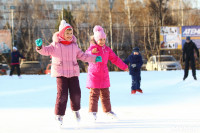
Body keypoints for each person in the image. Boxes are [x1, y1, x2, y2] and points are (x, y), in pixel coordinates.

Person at [35, 20, 102, 125]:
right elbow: (46, 51)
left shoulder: (74, 46)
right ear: (62, 33)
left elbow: (83, 56)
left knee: (76, 93)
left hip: (73, 73)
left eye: (71, 33)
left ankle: (76, 111)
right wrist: (40, 47)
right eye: (67, 33)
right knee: (62, 95)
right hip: (61, 73)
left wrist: (94, 58)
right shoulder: (55, 45)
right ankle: (59, 115)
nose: (70, 35)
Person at [86, 25, 128, 121]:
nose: (102, 42)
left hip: (104, 75)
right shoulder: (92, 48)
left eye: (104, 39)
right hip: (94, 75)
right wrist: (92, 52)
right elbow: (86, 56)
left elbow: (115, 59)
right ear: (96, 39)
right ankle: (92, 112)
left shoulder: (107, 49)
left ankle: (108, 111)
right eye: (100, 39)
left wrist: (124, 66)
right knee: (94, 94)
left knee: (105, 94)